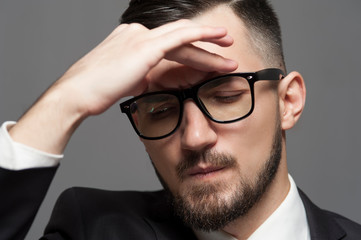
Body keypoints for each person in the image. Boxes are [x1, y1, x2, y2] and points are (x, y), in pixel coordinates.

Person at [0, 0, 360, 239]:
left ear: (288, 102)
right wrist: (67, 98)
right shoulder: (92, 228)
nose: (194, 137)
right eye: (160, 110)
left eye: (225, 97)